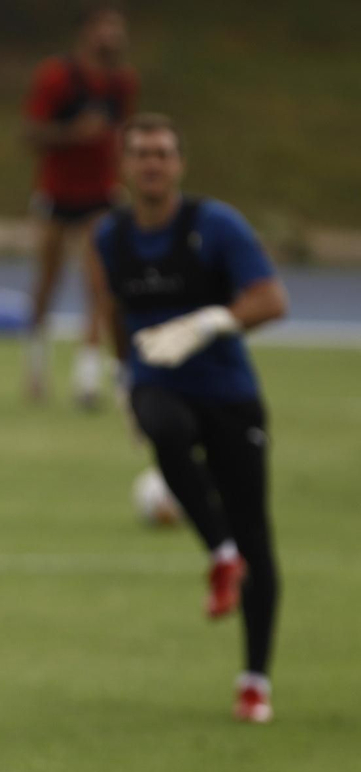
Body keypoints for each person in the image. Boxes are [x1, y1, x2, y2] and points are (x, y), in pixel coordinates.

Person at [88, 113, 289, 723]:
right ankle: (219, 553)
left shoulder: (214, 225)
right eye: (141, 153)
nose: (153, 163)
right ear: (124, 166)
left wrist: (209, 323)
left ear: (179, 165)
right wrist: (124, 377)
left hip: (227, 393)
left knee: (257, 536)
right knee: (164, 427)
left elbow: (270, 299)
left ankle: (254, 679)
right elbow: (112, 310)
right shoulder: (110, 237)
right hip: (159, 383)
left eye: (163, 153)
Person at [21, 5, 138, 407]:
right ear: (87, 32)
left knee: (100, 284)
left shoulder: (122, 82)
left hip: (100, 195)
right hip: (56, 193)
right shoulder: (57, 76)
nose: (113, 37)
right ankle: (35, 364)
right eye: (105, 28)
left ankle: (87, 376)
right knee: (47, 281)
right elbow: (31, 133)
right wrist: (73, 133)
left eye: (118, 29)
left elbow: (123, 132)